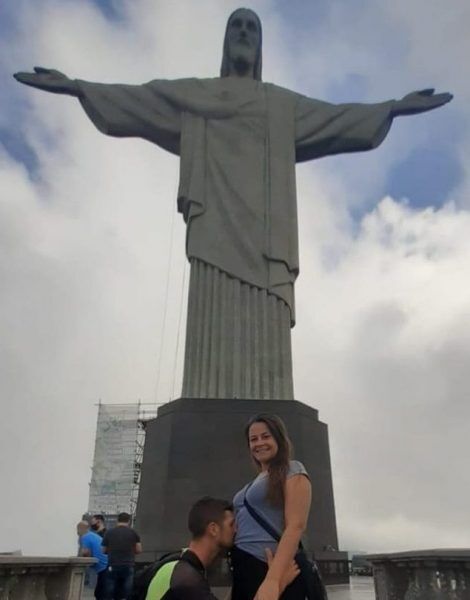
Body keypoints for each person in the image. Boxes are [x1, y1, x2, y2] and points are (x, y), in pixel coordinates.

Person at [13, 8, 453, 402]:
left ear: (259, 45)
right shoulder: (195, 97)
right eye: (237, 27)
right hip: (214, 229)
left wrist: (393, 108)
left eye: (251, 28)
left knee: (266, 324)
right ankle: (206, 393)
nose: (244, 34)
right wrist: (75, 88)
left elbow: (336, 117)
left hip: (265, 236)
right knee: (210, 313)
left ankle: (268, 399)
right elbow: (140, 100)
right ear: (225, 42)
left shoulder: (281, 105)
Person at [144, 496, 298, 600]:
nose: (237, 530)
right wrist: (277, 583)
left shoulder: (178, 565)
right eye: (231, 524)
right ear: (213, 529)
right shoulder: (187, 580)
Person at [231, 414, 311, 600]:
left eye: (266, 436)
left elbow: (296, 525)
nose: (259, 443)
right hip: (243, 567)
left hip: (269, 567)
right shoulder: (253, 482)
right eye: (253, 439)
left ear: (279, 438)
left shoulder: (293, 469)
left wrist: (273, 579)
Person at [102, 512, 142, 600]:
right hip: (128, 564)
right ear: (129, 521)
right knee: (126, 589)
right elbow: (139, 550)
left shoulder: (109, 532)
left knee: (110, 588)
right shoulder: (133, 533)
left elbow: (103, 550)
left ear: (117, 520)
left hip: (112, 564)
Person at [77, 520, 109, 600]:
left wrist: (79, 557)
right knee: (100, 592)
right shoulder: (92, 535)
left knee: (100, 594)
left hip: (103, 567)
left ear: (80, 529)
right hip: (107, 565)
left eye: (77, 529)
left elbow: (86, 553)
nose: (77, 532)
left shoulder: (85, 537)